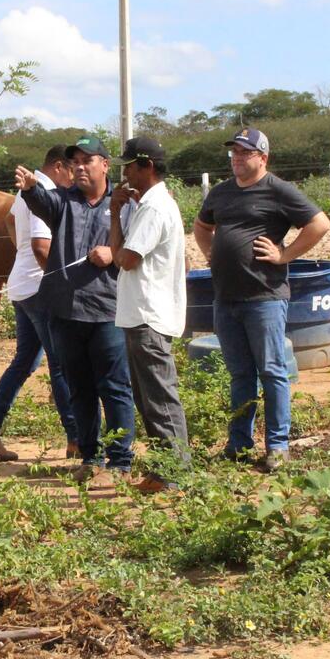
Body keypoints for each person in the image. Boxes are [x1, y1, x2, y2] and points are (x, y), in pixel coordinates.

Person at [193, 128, 330, 471]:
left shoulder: (278, 190)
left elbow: (319, 224)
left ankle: (277, 446)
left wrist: (286, 256)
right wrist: (211, 253)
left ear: (262, 158)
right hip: (225, 298)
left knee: (271, 371)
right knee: (240, 374)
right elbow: (201, 226)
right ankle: (239, 445)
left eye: (245, 152)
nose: (238, 158)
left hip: (264, 297)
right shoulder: (221, 193)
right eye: (234, 153)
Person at [16, 134, 135, 483]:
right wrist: (30, 188)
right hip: (65, 312)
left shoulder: (125, 203)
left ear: (105, 165)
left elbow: (139, 244)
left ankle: (120, 462)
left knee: (114, 387)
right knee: (79, 387)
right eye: (74, 163)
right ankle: (90, 457)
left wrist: (113, 254)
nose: (79, 167)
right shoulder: (62, 201)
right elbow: (41, 202)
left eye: (87, 160)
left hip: (107, 310)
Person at [0, 146, 80, 461]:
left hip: (21, 285)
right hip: (39, 290)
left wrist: (22, 259)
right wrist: (62, 284)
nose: (75, 176)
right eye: (73, 169)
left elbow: (9, 225)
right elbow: (42, 247)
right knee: (60, 364)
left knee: (26, 361)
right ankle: (76, 438)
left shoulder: (26, 193)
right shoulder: (41, 191)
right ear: (59, 166)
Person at [106, 135, 190, 494]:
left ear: (147, 166)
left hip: (148, 316)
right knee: (148, 398)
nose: (124, 172)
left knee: (159, 398)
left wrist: (113, 215)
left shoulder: (154, 209)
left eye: (128, 165)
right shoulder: (149, 205)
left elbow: (124, 258)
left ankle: (175, 473)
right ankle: (164, 470)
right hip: (142, 314)